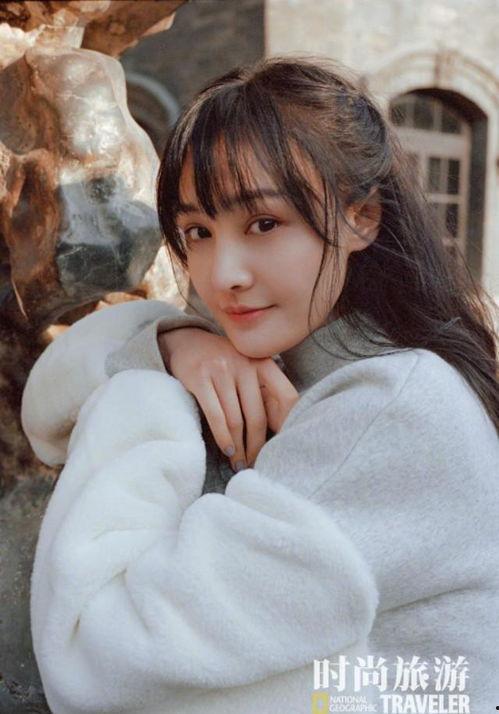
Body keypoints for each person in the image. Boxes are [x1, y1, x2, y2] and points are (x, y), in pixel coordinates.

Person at [21, 55, 499, 714]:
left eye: (264, 224)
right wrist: (173, 343)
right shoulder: (292, 361)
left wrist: (145, 398)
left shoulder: (392, 408)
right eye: (197, 232)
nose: (225, 275)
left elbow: (93, 660)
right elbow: (43, 405)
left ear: (361, 217)